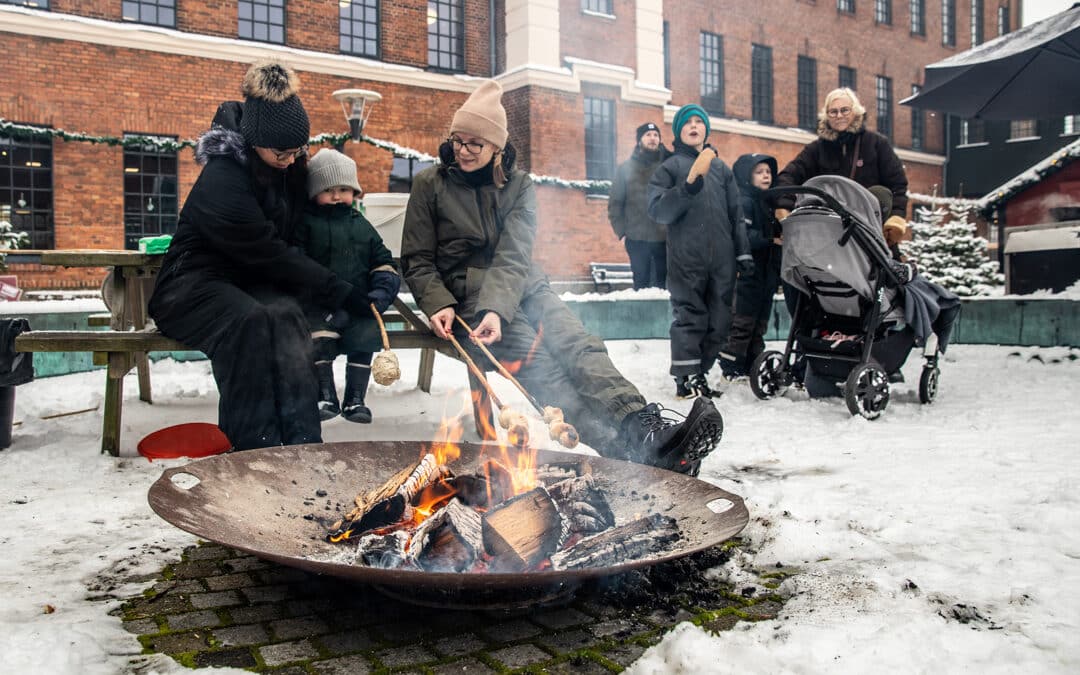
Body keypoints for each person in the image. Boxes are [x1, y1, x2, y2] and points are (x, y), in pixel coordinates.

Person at [400, 80, 723, 475]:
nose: (462, 151)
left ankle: (646, 429)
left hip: (526, 286)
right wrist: (439, 303)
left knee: (579, 346)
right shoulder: (430, 185)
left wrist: (500, 307)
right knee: (546, 372)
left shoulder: (518, 186)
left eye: (475, 144)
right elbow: (416, 260)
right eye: (457, 141)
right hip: (467, 299)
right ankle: (628, 452)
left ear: (496, 148)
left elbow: (515, 252)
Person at [148, 60, 378, 451]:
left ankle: (303, 445)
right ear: (254, 141)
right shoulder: (224, 179)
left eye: (297, 151)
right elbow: (269, 251)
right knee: (250, 322)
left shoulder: (286, 169)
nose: (291, 160)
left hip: (249, 283)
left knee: (288, 317)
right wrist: (337, 289)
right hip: (190, 287)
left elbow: (308, 230)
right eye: (282, 153)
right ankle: (254, 449)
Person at [647, 104, 754, 399]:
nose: (694, 126)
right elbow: (658, 210)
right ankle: (686, 376)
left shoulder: (721, 170)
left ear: (707, 129)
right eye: (687, 122)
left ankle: (700, 370)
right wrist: (686, 189)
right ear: (679, 131)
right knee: (691, 316)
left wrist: (743, 253)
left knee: (720, 321)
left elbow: (736, 213)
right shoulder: (669, 167)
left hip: (722, 260)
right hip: (686, 259)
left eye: (699, 122)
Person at [295, 148, 400, 424]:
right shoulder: (305, 223)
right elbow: (298, 265)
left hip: (359, 304)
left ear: (354, 191)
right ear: (314, 191)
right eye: (328, 189)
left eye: (344, 188)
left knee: (364, 337)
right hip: (319, 305)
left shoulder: (361, 225)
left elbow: (383, 262)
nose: (337, 195)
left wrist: (381, 293)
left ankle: (355, 399)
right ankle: (324, 394)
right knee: (319, 340)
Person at [773, 87, 909, 248]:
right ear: (826, 115)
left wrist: (896, 217)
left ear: (856, 111)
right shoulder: (816, 149)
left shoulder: (876, 144)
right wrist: (784, 205)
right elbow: (789, 175)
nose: (839, 116)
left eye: (845, 110)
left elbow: (897, 184)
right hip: (829, 232)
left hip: (870, 230)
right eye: (833, 111)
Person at [719, 153, 781, 381]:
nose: (766, 176)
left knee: (759, 321)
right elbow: (741, 234)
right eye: (759, 172)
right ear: (747, 176)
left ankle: (753, 362)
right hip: (748, 274)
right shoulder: (744, 201)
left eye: (768, 172)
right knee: (743, 321)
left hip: (765, 275)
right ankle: (731, 363)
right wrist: (769, 239)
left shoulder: (766, 202)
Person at [607, 122, 670, 289]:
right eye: (648, 135)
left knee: (663, 286)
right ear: (639, 140)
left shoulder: (668, 166)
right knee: (641, 284)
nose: (653, 138)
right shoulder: (625, 168)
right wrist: (623, 231)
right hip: (636, 239)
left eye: (656, 135)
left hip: (664, 240)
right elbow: (615, 203)